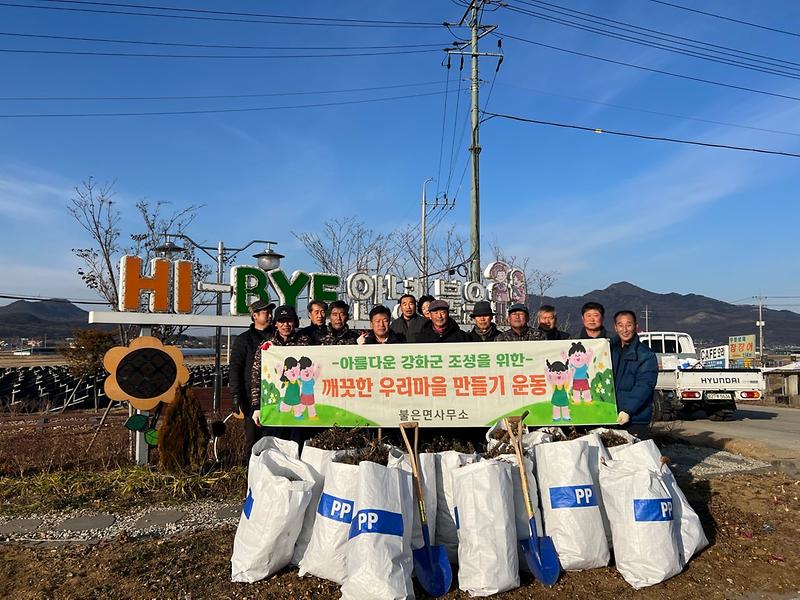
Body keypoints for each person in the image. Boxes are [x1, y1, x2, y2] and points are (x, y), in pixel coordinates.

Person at [249, 305, 313, 446]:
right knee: (275, 446)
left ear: (295, 322)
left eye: (289, 321)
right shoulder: (267, 346)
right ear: (276, 324)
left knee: (298, 445)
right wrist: (256, 406)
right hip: (274, 408)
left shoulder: (306, 343)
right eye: (281, 321)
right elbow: (256, 376)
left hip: (301, 406)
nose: (286, 325)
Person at [228, 299, 275, 461]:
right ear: (255, 316)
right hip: (251, 399)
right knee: (253, 439)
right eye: (265, 312)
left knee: (275, 440)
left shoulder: (277, 337)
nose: (269, 315)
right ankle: (251, 475)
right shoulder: (243, 340)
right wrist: (236, 396)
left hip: (276, 396)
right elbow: (235, 369)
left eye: (270, 312)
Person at [610, 310, 658, 437]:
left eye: (629, 325)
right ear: (615, 327)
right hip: (609, 416)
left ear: (636, 326)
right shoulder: (607, 350)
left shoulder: (646, 355)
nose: (625, 329)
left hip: (635, 418)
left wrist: (627, 410)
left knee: (633, 455)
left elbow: (645, 385)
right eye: (620, 325)